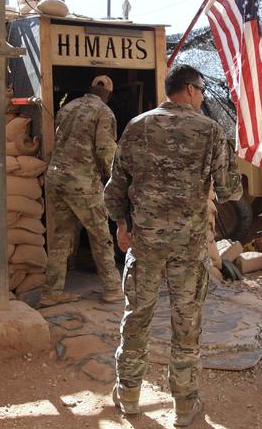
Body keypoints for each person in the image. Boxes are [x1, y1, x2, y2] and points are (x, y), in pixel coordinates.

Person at [105, 65, 242, 427]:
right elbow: (230, 190)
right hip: (188, 247)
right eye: (200, 91)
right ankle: (184, 405)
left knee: (137, 318)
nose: (201, 98)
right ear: (189, 89)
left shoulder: (137, 126)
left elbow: (116, 187)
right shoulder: (210, 131)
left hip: (145, 243)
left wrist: (121, 225)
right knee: (187, 322)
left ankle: (129, 395)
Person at [40, 75, 123, 307]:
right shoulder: (104, 112)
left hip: (56, 178)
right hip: (82, 182)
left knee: (61, 236)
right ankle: (113, 288)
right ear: (108, 93)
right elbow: (105, 149)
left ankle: (51, 291)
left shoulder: (67, 108)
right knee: (100, 235)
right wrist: (115, 178)